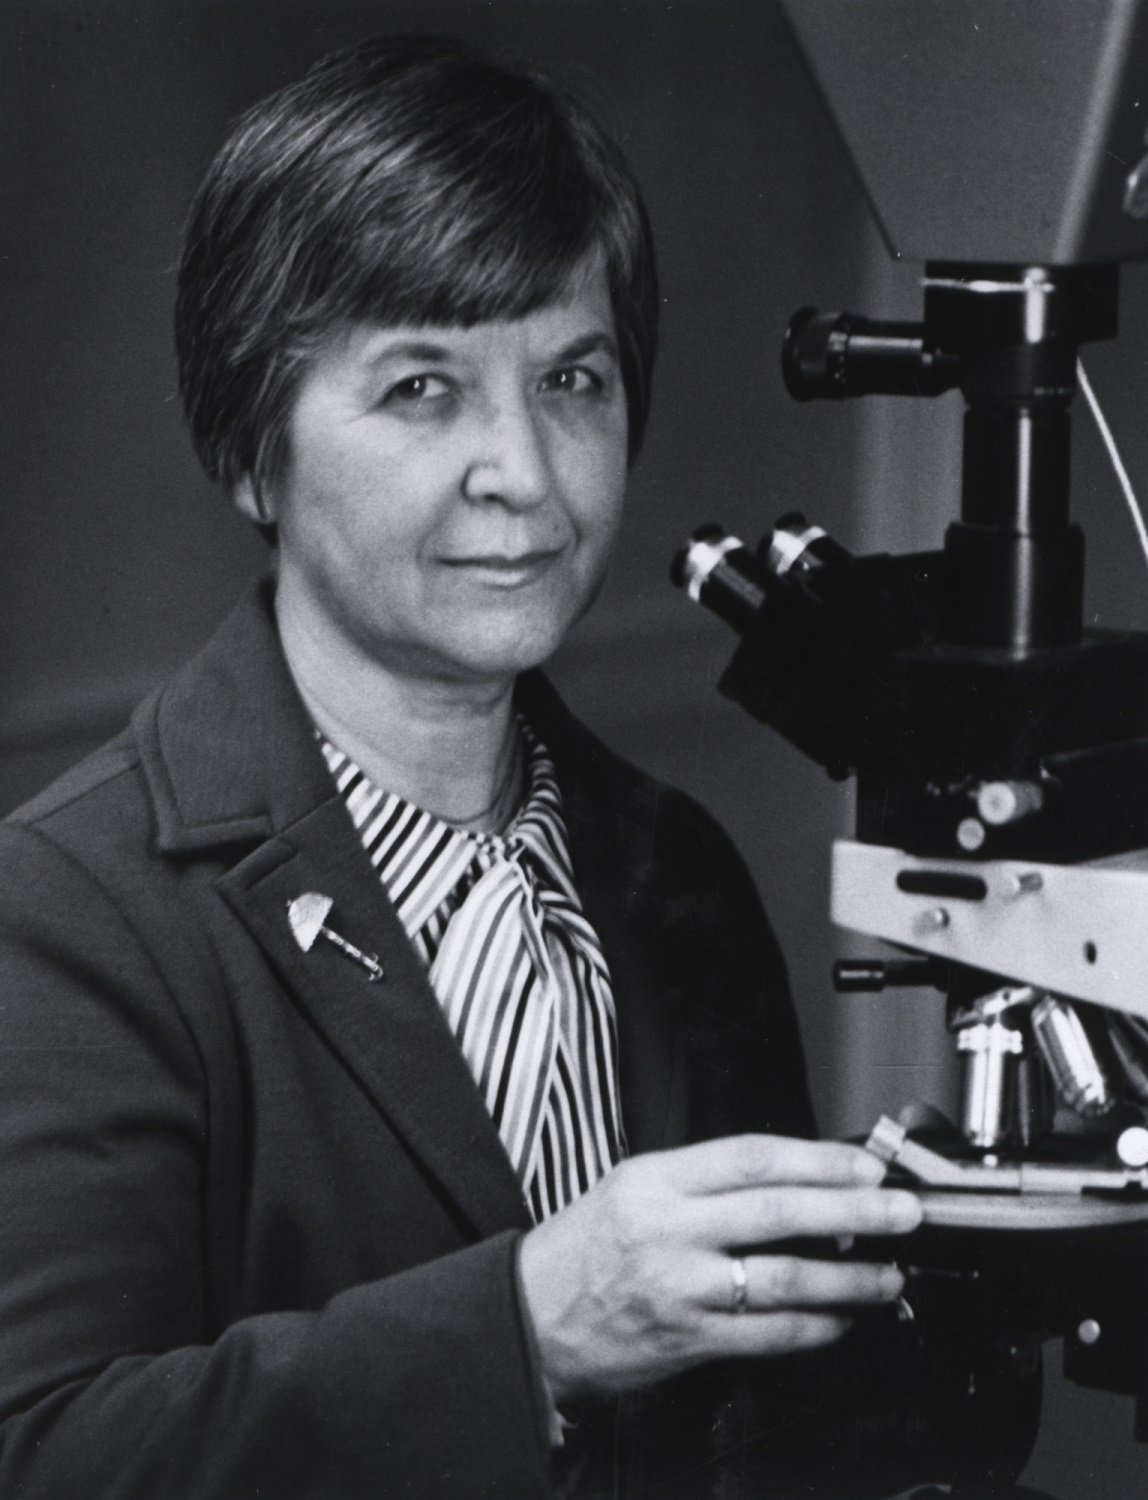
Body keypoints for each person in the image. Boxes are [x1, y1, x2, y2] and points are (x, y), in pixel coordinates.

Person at [0, 34, 922, 1499]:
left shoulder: (672, 864)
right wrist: (525, 1334)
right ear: (252, 451)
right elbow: (43, 1452)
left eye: (573, 376)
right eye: (422, 388)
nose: (528, 473)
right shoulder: (71, 909)